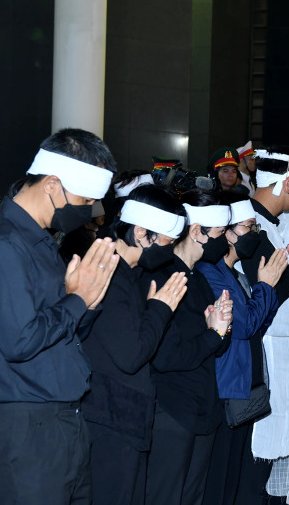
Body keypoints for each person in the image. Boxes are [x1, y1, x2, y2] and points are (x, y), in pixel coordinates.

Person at [0, 128, 119, 505]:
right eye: (85, 200)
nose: (87, 212)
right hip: (30, 427)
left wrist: (87, 302)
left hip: (64, 421)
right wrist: (75, 300)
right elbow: (20, 341)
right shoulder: (7, 245)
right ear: (52, 184)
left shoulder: (41, 240)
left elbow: (61, 333)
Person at [81, 184, 188, 505]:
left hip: (122, 417)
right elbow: (131, 356)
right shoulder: (110, 272)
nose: (169, 252)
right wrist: (161, 308)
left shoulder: (126, 271)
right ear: (141, 232)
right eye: (167, 242)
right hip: (111, 422)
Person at [238, 146, 289, 505]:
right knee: (253, 468)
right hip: (261, 355)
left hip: (278, 350)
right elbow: (265, 297)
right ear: (287, 183)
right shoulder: (250, 225)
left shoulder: (268, 225)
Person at [145, 189, 234, 505]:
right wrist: (213, 335)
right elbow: (167, 355)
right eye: (221, 233)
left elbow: (211, 346)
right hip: (174, 410)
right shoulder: (165, 277)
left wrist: (220, 331)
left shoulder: (199, 279)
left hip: (202, 408)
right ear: (197, 231)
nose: (227, 241)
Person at [197, 196, 287, 505]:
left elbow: (260, 321)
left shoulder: (236, 273)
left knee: (233, 472)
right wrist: (266, 286)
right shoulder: (209, 272)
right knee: (219, 474)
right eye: (249, 227)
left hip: (242, 382)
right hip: (225, 384)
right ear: (228, 233)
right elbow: (246, 324)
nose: (254, 234)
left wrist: (264, 288)